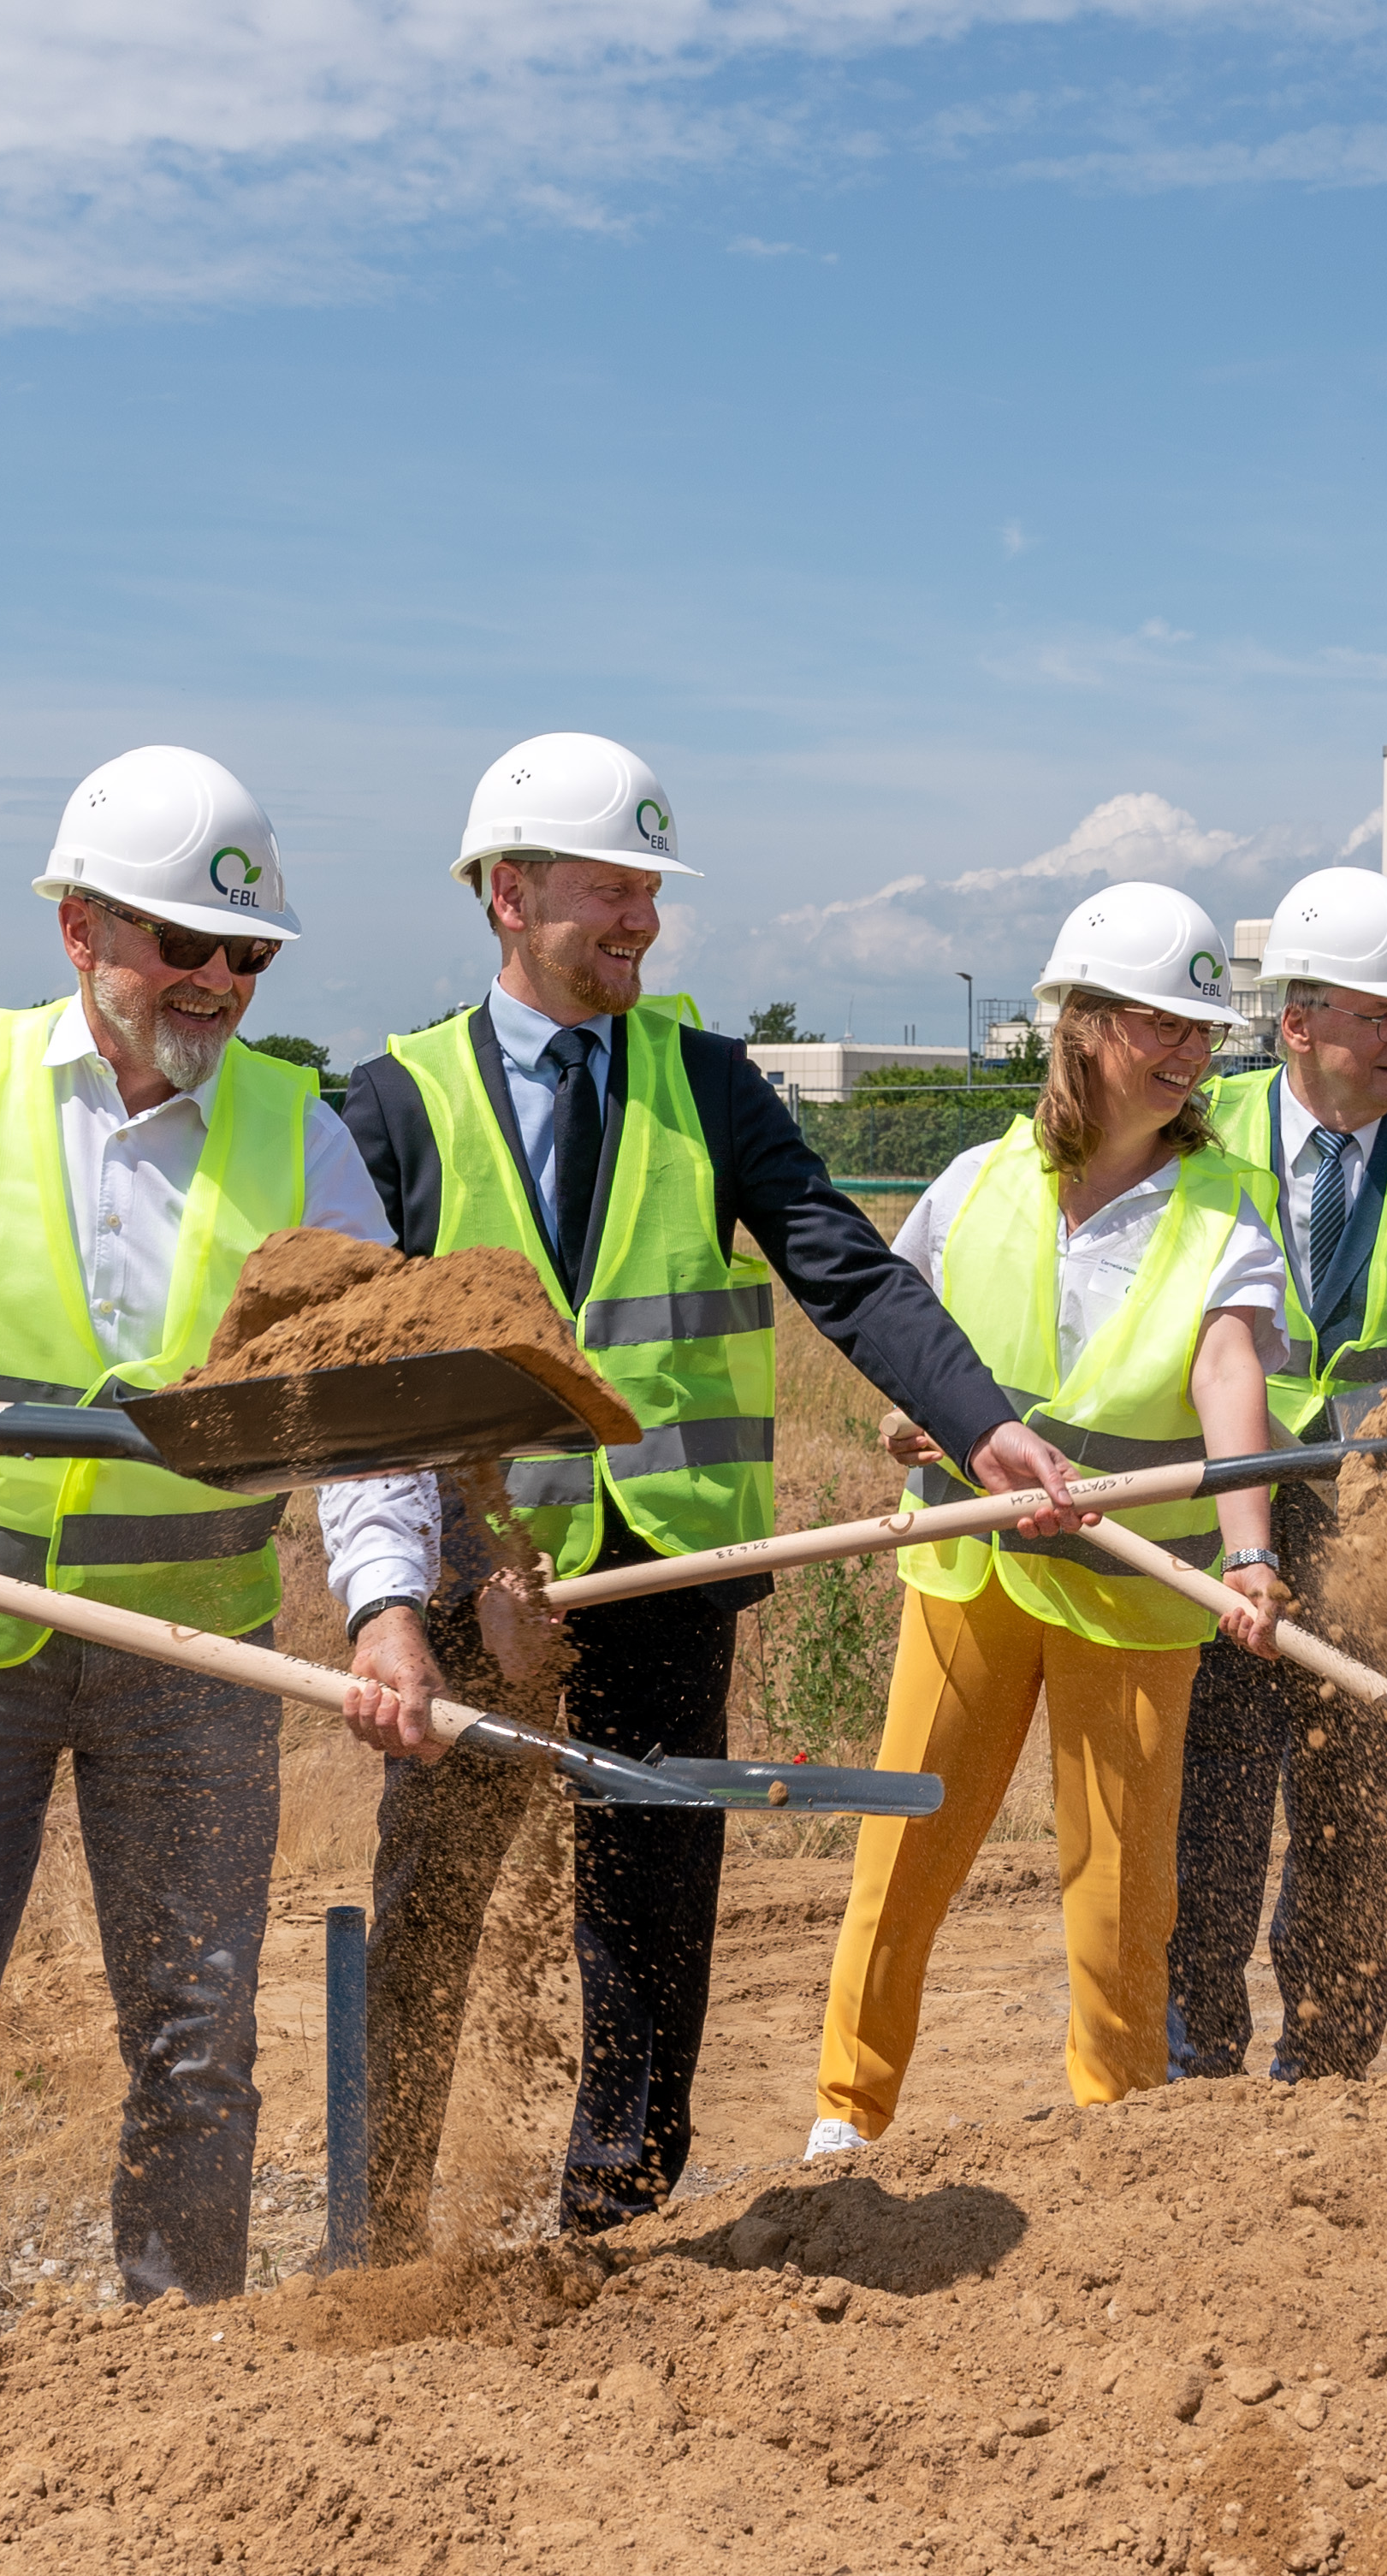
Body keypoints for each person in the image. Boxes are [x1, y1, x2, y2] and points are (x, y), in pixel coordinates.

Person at [317, 734, 1082, 2245]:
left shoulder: (707, 1081)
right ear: (505, 892)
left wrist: (980, 1422)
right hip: (484, 1578)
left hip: (666, 1568)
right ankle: (382, 2226)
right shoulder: (394, 1103)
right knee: (436, 1899)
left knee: (653, 1910)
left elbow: (842, 1269)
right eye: (608, 891)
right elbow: (359, 1388)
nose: (640, 922)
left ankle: (618, 2224)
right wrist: (410, 1591)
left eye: (648, 893)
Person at [0, 747, 394, 2401]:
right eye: (183, 942)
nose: (217, 982)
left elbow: (372, 1409)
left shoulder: (301, 1140)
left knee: (195, 2044)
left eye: (246, 955)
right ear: (77, 925)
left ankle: (176, 2383)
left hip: (195, 1665)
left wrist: (387, 1610)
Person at [816, 888, 1292, 2139]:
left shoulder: (1225, 1203)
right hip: (967, 1577)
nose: (1188, 1052)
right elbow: (903, 1338)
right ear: (1077, 1026)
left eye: (1202, 1030)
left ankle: (1114, 2129)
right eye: (1159, 1023)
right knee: (899, 1864)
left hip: (1133, 1598)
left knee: (1119, 1897)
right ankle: (842, 2120)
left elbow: (1226, 1370)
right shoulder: (973, 1183)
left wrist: (1249, 1555)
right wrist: (905, 1418)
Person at [1163, 867, 1387, 2083]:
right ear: (1297, 1020)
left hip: (1375, 1536)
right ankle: (1191, 2072)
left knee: (1355, 1820)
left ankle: (1327, 2070)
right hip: (1222, 1513)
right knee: (1207, 1816)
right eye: (1379, 1014)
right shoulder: (1190, 1132)